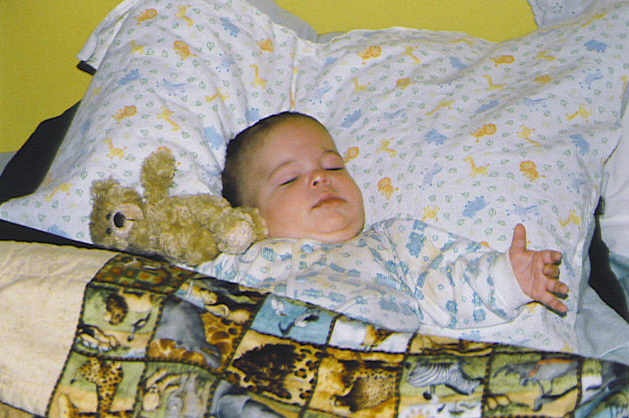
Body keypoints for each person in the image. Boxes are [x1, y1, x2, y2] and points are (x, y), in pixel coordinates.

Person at [217, 111, 568, 331]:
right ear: (250, 217)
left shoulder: (391, 244)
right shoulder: (241, 260)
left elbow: (447, 286)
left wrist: (509, 278)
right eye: (289, 178)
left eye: (333, 166)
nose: (320, 178)